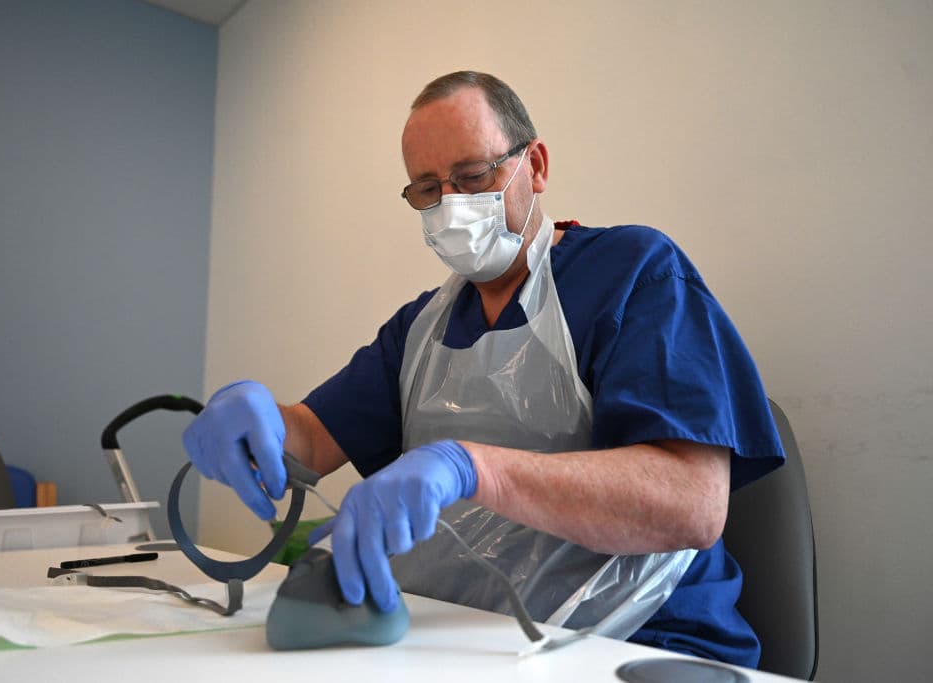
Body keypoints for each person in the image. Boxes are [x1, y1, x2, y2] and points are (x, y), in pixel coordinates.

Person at [183, 71, 785, 667]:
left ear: (535, 166)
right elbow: (311, 440)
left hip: (636, 643)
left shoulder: (632, 274)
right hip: (472, 642)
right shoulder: (421, 329)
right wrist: (255, 417)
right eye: (427, 189)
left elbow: (692, 504)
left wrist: (471, 468)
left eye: (473, 176)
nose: (452, 205)